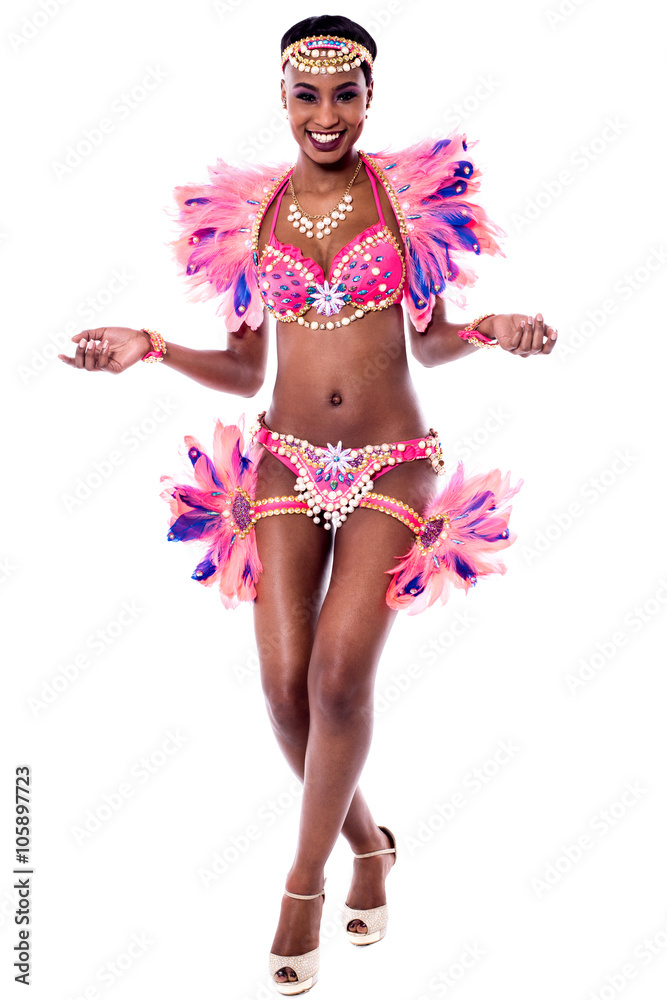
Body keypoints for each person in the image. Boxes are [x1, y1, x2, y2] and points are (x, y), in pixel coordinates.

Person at [59, 13, 557, 995]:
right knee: (285, 691)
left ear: (369, 98)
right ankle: (371, 845)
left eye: (344, 94)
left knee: (336, 681)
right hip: (284, 464)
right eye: (306, 95)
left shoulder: (406, 202)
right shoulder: (248, 217)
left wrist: (491, 329)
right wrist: (149, 347)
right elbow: (246, 369)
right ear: (282, 98)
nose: (325, 114)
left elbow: (429, 343)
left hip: (392, 462)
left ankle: (301, 885)